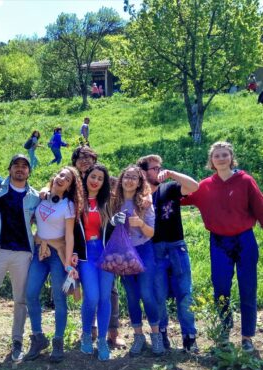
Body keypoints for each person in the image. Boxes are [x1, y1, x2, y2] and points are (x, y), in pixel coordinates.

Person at [181, 141, 263, 353]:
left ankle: (247, 337)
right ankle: (224, 333)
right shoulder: (206, 185)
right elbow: (179, 199)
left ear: (231, 157)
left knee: (248, 288)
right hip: (218, 243)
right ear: (211, 160)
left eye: (224, 154)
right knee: (221, 288)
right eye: (217, 155)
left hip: (244, 241)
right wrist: (153, 189)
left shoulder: (245, 181)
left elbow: (260, 208)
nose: (221, 158)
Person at [0, 154, 40, 362]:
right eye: (16, 165)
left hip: (23, 253)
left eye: (24, 166)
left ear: (29, 172)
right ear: (10, 168)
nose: (20, 169)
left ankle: (17, 341)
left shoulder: (36, 196)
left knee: (20, 300)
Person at [137, 155, 199, 352]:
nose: (159, 171)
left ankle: (189, 337)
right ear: (144, 172)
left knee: (184, 293)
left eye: (160, 167)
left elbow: (194, 187)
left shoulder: (170, 187)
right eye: (154, 168)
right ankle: (162, 333)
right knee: (159, 294)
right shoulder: (139, 196)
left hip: (176, 245)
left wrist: (172, 173)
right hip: (154, 249)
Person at [24, 166, 83, 363]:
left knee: (59, 298)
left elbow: (69, 235)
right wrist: (44, 190)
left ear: (69, 186)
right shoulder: (43, 197)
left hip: (57, 254)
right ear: (55, 177)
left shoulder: (68, 205)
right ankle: (38, 338)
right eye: (60, 175)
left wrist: (67, 262)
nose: (62, 179)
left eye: (67, 179)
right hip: (39, 251)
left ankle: (58, 341)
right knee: (30, 293)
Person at [71, 146, 126, 349]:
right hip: (86, 255)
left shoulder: (108, 201)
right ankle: (87, 334)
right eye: (93, 177)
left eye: (100, 178)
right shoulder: (76, 199)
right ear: (86, 178)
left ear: (104, 182)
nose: (95, 180)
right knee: (91, 297)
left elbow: (111, 229)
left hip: (106, 254)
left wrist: (115, 222)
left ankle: (103, 339)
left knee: (105, 298)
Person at [112, 165, 165, 356]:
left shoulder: (144, 202)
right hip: (123, 253)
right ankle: (138, 336)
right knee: (132, 295)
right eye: (127, 176)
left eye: (134, 177)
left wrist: (140, 223)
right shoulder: (114, 201)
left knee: (146, 293)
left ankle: (156, 335)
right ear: (121, 179)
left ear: (139, 182)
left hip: (143, 250)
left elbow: (151, 233)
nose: (130, 180)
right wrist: (113, 222)